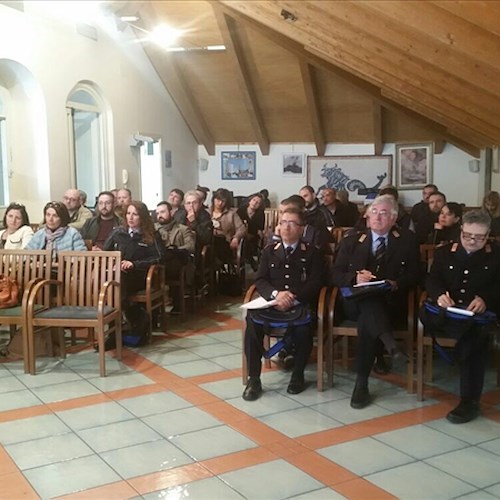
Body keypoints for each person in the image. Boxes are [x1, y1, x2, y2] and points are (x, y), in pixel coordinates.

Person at [331, 194, 419, 409]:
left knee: (369, 316)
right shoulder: (352, 240)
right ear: (367, 217)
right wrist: (354, 278)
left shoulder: (406, 239)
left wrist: (396, 282)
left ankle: (362, 383)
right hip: (353, 302)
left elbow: (417, 274)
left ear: (393, 218)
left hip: (390, 304)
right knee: (368, 303)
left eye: (384, 213)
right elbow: (334, 273)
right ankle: (390, 345)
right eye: (374, 213)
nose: (378, 217)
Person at [420, 210, 500, 423]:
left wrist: (486, 299)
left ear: (488, 235)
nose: (472, 241)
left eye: (479, 237)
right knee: (467, 336)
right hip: (446, 313)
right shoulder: (446, 252)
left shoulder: (496, 254)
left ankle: (469, 401)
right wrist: (438, 295)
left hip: (476, 318)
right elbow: (432, 279)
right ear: (461, 231)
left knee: (474, 338)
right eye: (467, 235)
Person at [242, 207, 324, 400]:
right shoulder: (270, 251)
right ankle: (254, 379)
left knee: (304, 328)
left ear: (302, 228)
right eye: (282, 223)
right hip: (272, 304)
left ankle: (298, 375)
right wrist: (276, 294)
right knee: (252, 323)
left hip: (298, 304)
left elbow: (316, 282)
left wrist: (292, 298)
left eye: (292, 223)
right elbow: (260, 279)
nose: (286, 227)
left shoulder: (312, 253)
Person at [103, 201, 166, 313]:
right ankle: (120, 317)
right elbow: (105, 253)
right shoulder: (118, 232)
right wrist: (114, 264)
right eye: (128, 213)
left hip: (140, 274)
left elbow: (159, 257)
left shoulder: (152, 234)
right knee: (112, 279)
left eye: (135, 214)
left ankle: (122, 318)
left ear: (142, 217)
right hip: (117, 272)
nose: (130, 218)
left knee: (118, 282)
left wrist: (134, 264)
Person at [155, 201, 195, 313]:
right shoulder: (154, 229)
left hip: (178, 261)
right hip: (159, 261)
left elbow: (191, 246)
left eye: (162, 212)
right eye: (157, 213)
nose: (160, 215)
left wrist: (176, 249)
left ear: (171, 212)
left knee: (172, 261)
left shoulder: (182, 229)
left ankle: (175, 301)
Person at [211, 188, 247, 266]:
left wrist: (236, 237)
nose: (219, 203)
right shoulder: (207, 212)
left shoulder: (232, 214)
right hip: (208, 242)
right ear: (213, 199)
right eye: (217, 200)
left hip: (225, 243)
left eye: (223, 201)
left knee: (219, 240)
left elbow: (242, 228)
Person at [237, 193, 265, 271]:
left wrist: (252, 230)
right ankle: (251, 261)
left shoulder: (260, 213)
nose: (255, 203)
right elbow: (237, 224)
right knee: (243, 240)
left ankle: (247, 260)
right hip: (240, 233)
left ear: (260, 205)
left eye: (258, 202)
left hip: (253, 236)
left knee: (246, 242)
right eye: (254, 200)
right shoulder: (241, 210)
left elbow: (259, 229)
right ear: (249, 201)